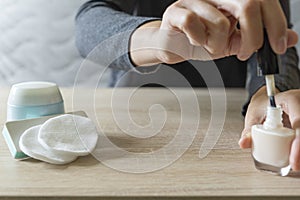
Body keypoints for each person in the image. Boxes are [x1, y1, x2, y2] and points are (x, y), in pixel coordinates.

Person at [75, 0, 300, 170]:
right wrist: (158, 40)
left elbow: (275, 38)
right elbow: (88, 24)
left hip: (225, 121)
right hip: (130, 118)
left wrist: (269, 92)